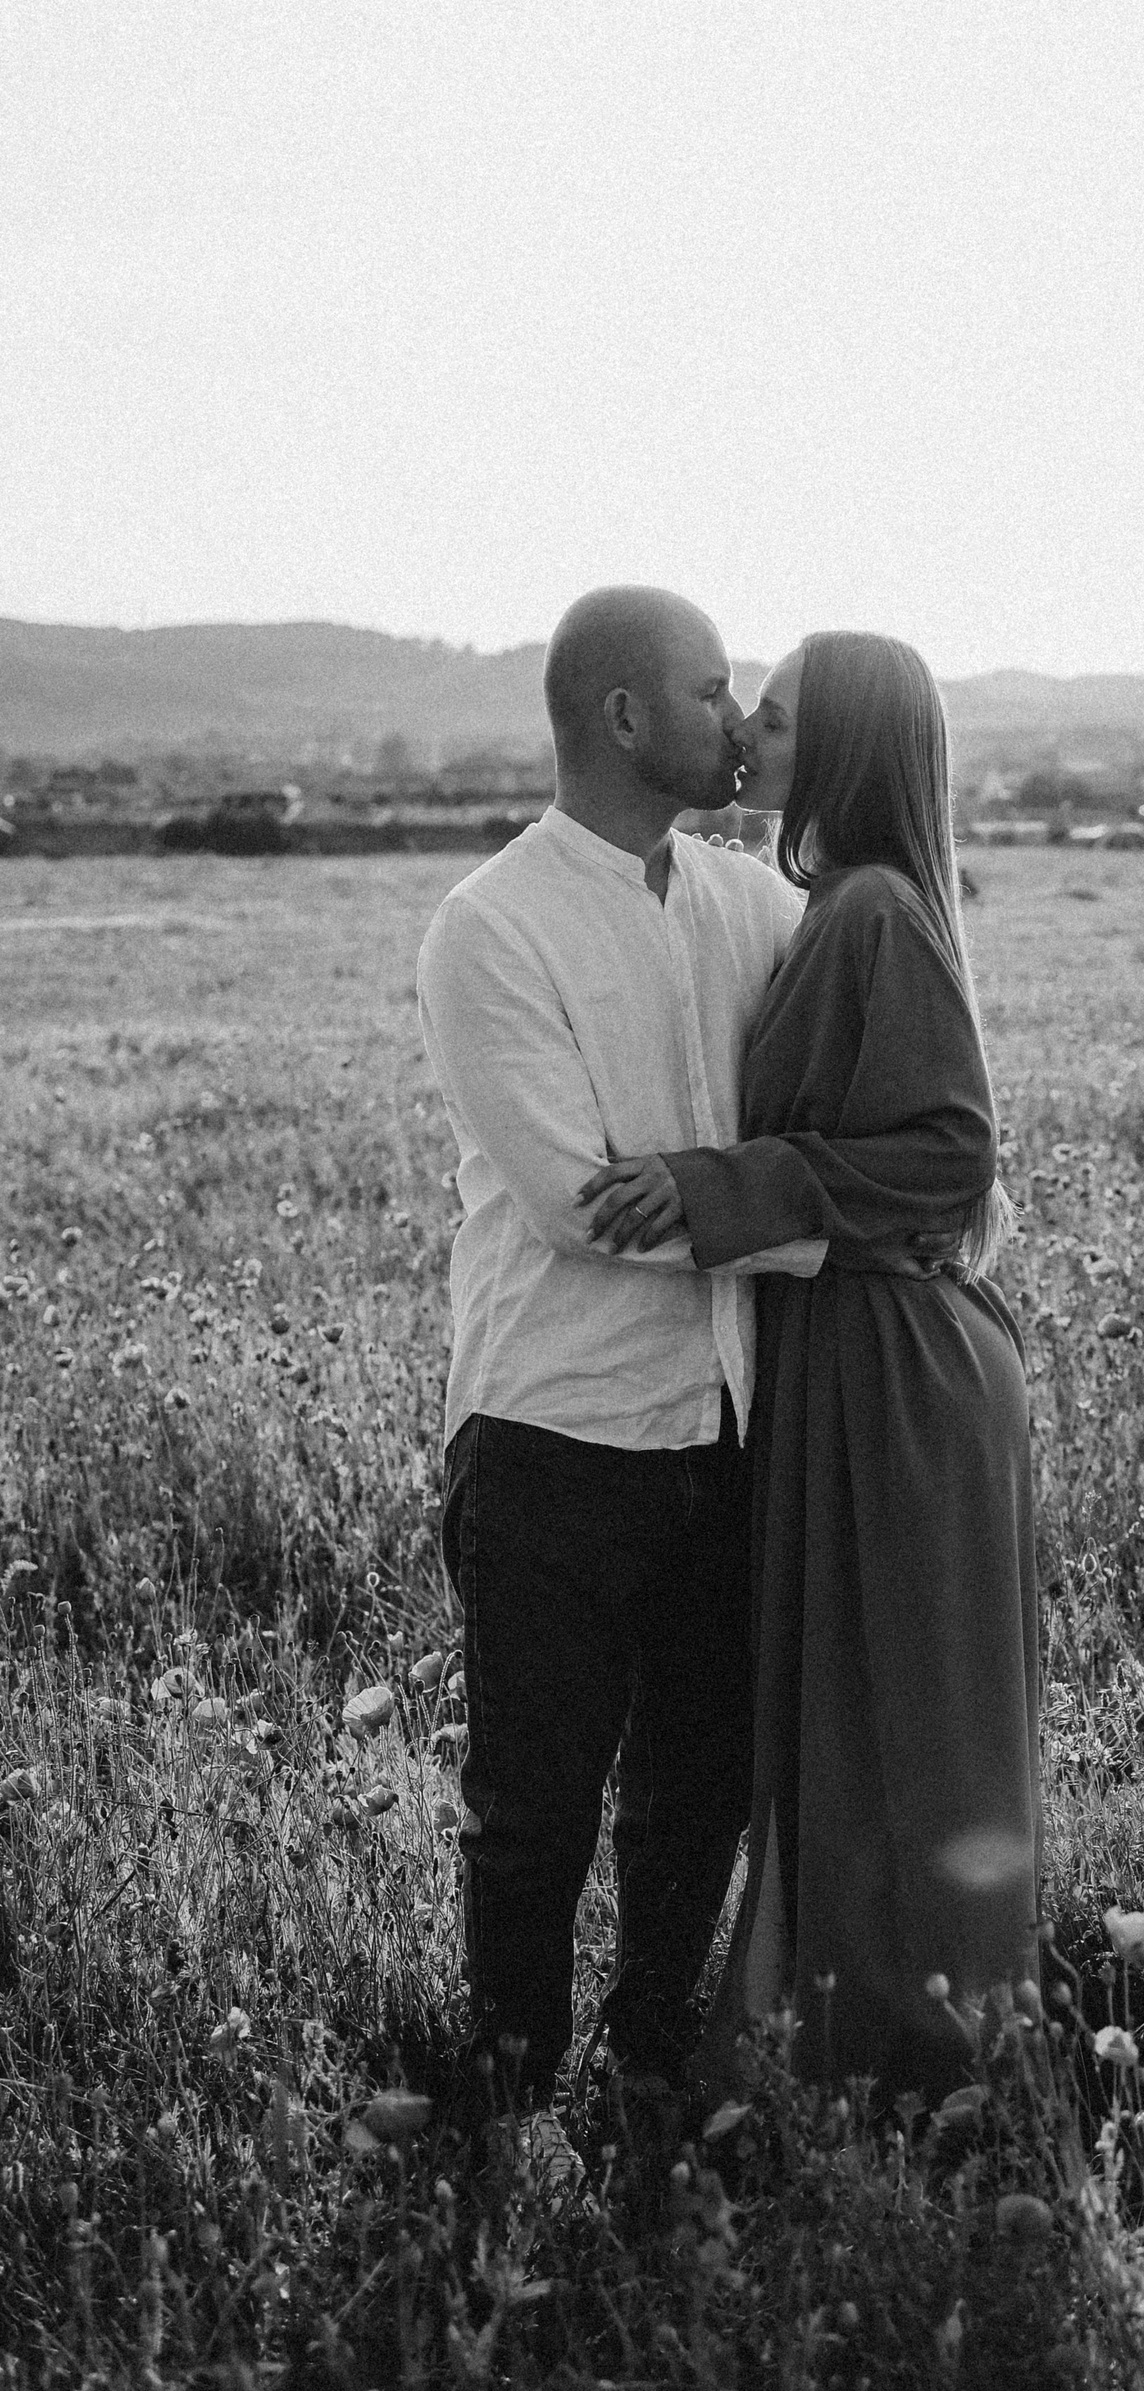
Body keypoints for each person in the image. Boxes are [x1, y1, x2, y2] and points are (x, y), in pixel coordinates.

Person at [579, 632, 1040, 2093]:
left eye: (773, 722)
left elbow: (952, 1153)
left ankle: (901, 2050)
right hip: (860, 1352)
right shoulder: (840, 904)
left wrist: (719, 1186)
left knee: (892, 1717)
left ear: (835, 749)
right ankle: (874, 2034)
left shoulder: (873, 913)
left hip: (893, 1366)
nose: (746, 739)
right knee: (859, 1712)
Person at [416, 585, 821, 2121]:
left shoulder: (754, 907)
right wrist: (811, 1231)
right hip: (553, 1431)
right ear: (625, 716)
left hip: (727, 1423)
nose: (737, 718)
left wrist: (803, 1192)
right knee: (534, 1806)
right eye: (712, 691)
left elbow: (844, 1106)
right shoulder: (492, 926)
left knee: (698, 1791)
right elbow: (579, 1203)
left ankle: (647, 2075)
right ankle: (503, 2103)